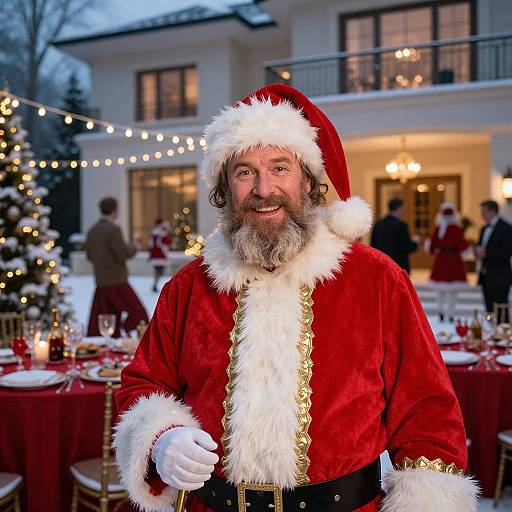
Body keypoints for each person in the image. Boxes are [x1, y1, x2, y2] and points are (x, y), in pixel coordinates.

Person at [114, 85, 477, 512]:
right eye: (244, 171)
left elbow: (427, 412)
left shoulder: (376, 279)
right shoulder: (189, 286)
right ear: (225, 187)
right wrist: (160, 438)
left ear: (308, 179)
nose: (264, 189)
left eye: (280, 167)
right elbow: (143, 381)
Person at [85, 197, 148, 337]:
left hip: (101, 282)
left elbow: (89, 256)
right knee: (139, 313)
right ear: (115, 211)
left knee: (106, 319)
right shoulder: (113, 230)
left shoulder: (92, 231)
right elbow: (123, 253)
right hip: (117, 281)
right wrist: (134, 246)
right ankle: (128, 334)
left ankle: (112, 346)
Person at [427, 202, 468, 322]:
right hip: (454, 260)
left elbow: (431, 246)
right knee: (453, 291)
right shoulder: (456, 228)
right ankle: (450, 313)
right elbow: (462, 245)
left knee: (441, 290)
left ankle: (441, 311)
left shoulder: (439, 228)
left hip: (441, 259)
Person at [474, 199, 512, 322]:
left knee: (501, 308)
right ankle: (492, 333)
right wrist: (477, 251)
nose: (482, 214)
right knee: (489, 307)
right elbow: (481, 247)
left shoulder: (506, 228)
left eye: (484, 212)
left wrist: (486, 253)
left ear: (493, 211)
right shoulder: (483, 228)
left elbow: (507, 252)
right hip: (486, 275)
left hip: (500, 275)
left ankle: (503, 334)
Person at [371, 197, 419, 273]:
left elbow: (373, 246)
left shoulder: (378, 224)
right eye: (403, 208)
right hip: (398, 265)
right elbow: (407, 247)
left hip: (382, 264)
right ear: (399, 209)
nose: (404, 211)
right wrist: (415, 242)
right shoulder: (401, 225)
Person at [148, 218, 172, 292]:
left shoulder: (153, 234)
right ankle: (155, 284)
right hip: (160, 255)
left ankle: (155, 284)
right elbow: (167, 243)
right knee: (160, 271)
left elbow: (150, 244)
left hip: (154, 256)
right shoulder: (162, 234)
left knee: (157, 271)